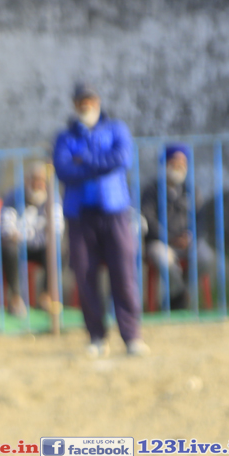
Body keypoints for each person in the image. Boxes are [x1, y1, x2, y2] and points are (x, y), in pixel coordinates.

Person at [53, 83, 147, 356]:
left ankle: (131, 337)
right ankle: (96, 337)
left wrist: (84, 160)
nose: (87, 105)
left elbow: (122, 159)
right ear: (75, 105)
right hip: (80, 215)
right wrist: (100, 163)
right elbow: (64, 169)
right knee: (85, 277)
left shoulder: (116, 129)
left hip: (114, 212)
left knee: (124, 275)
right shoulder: (65, 137)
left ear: (98, 101)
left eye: (91, 100)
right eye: (81, 101)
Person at [140, 145, 217, 310]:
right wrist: (170, 238)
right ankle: (179, 296)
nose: (179, 166)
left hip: (188, 242)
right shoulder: (151, 190)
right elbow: (148, 219)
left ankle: (178, 295)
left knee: (206, 257)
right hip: (161, 242)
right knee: (162, 258)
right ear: (166, 164)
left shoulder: (192, 190)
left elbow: (200, 220)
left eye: (182, 163)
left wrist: (190, 237)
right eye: (174, 162)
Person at [0, 164, 63, 316]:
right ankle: (16, 299)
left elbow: (57, 229)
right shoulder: (13, 196)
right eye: (34, 179)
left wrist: (34, 235)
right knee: (9, 248)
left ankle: (46, 296)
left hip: (42, 246)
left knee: (57, 249)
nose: (38, 184)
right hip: (19, 246)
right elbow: (7, 228)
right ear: (27, 180)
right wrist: (24, 235)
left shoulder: (53, 198)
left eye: (41, 180)